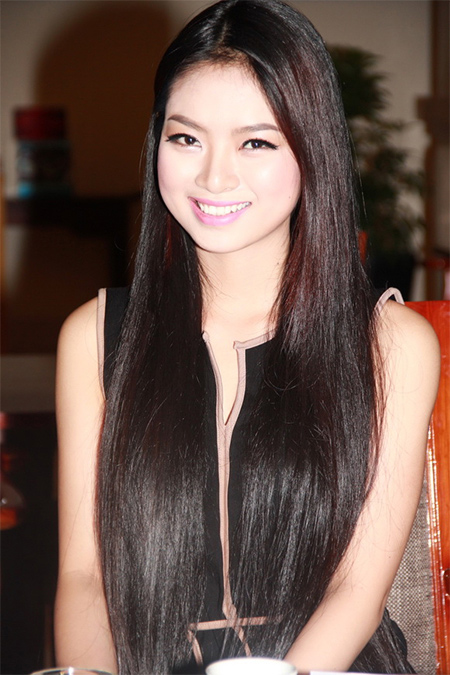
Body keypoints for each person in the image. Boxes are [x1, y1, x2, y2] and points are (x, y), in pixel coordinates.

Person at [54, 1, 440, 673]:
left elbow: (357, 590)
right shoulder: (93, 336)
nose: (214, 176)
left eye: (256, 142)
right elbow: (84, 578)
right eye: (186, 138)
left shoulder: (392, 344)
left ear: (311, 148)